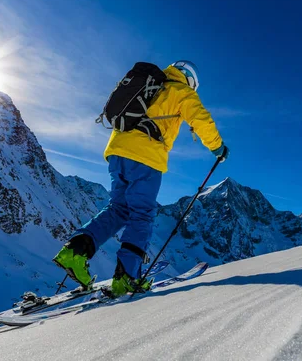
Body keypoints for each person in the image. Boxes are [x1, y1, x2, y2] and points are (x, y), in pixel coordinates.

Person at [53, 60, 229, 296]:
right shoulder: (180, 90)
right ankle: (126, 277)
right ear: (191, 81)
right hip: (145, 156)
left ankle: (74, 252)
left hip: (117, 151)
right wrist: (218, 148)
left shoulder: (150, 84)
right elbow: (201, 119)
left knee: (118, 209)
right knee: (142, 213)